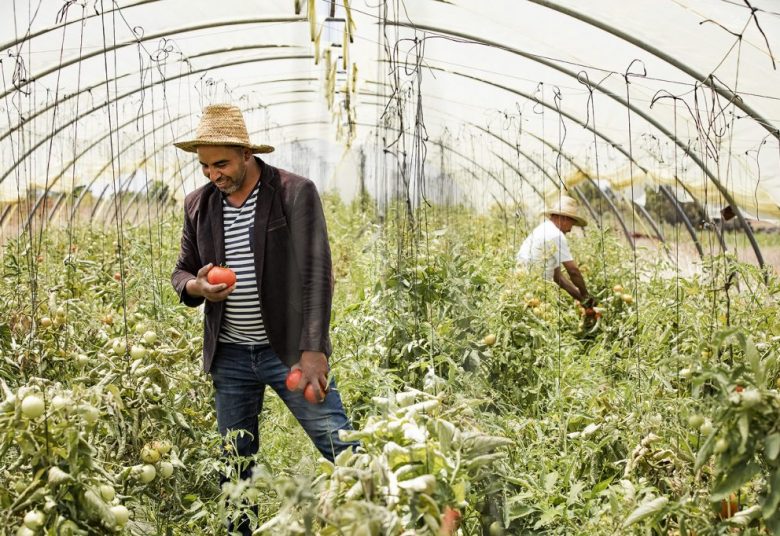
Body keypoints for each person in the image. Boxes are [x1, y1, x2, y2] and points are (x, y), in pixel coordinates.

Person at [170, 104, 357, 533]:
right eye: (204, 166)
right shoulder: (198, 205)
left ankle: (386, 514)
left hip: (288, 352)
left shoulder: (292, 192)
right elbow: (182, 270)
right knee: (236, 465)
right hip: (231, 356)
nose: (213, 174)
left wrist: (313, 351)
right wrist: (198, 286)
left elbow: (316, 274)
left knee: (340, 444)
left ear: (246, 154)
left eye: (221, 164)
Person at [516, 194, 595, 309]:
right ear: (564, 218)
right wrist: (586, 295)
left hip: (524, 288)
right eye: (571, 224)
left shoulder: (543, 229)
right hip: (533, 292)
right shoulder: (555, 235)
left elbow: (558, 277)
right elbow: (573, 271)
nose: (570, 229)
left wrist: (582, 300)